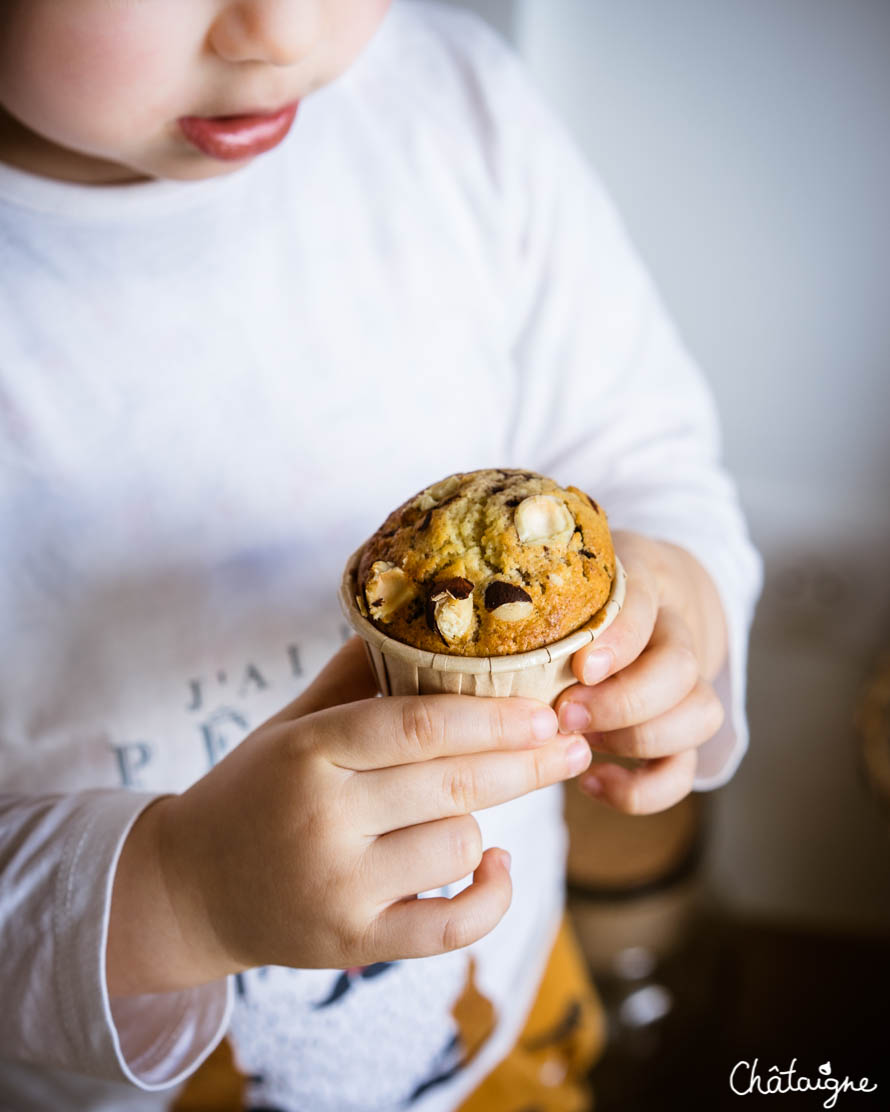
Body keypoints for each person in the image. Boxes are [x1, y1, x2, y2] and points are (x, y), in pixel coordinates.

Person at [0, 1, 761, 1109]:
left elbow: (642, 452)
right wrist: (185, 891)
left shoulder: (453, 111)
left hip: (497, 1017)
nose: (282, 24)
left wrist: (675, 603)